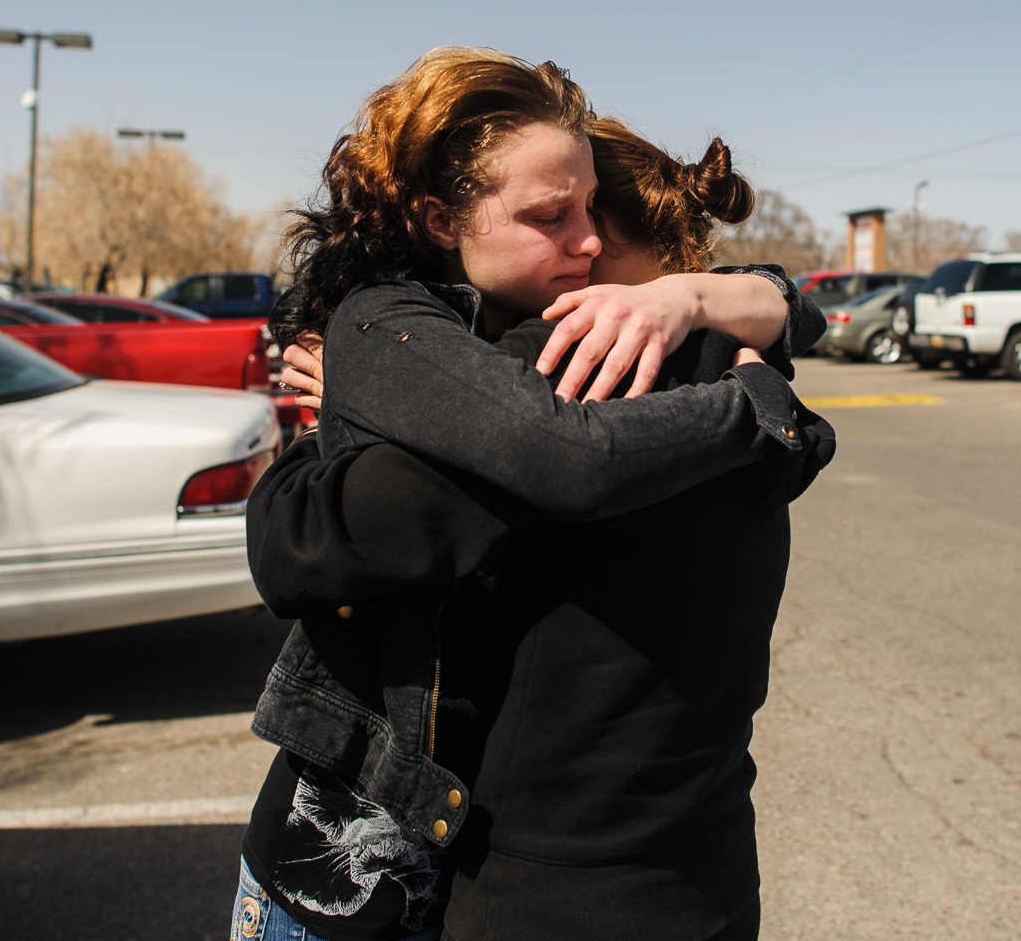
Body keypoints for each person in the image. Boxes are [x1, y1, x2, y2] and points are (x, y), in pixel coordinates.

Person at [229, 48, 830, 941]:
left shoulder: (580, 378)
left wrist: (735, 327)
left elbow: (298, 537)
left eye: (591, 216)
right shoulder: (418, 337)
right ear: (442, 219)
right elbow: (302, 543)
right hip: (359, 861)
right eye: (552, 217)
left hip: (482, 873)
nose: (582, 244)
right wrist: (758, 368)